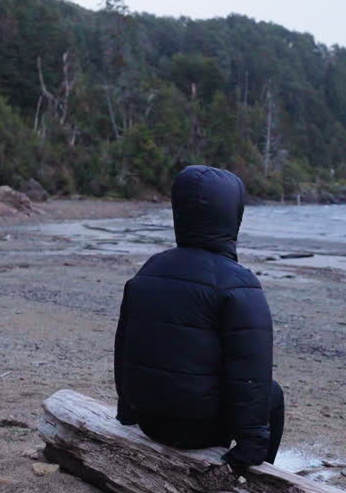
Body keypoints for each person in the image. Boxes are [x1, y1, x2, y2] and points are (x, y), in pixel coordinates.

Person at [114, 165, 284, 470]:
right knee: (272, 394)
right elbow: (251, 372)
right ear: (233, 215)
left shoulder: (150, 268)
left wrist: (127, 413)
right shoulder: (238, 282)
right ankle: (255, 477)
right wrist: (251, 444)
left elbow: (124, 347)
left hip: (149, 420)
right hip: (200, 430)